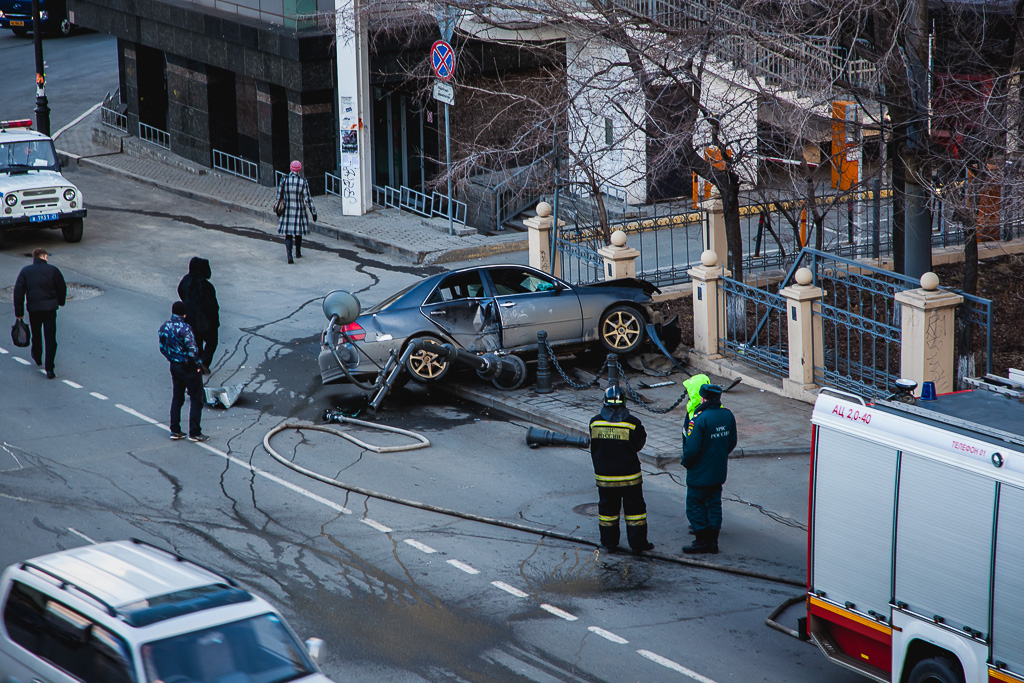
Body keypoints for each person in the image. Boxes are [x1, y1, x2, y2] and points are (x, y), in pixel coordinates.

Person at [589, 385, 654, 554]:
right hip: (630, 477)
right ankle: (638, 543)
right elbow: (638, 444)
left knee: (607, 512)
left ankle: (609, 543)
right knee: (635, 512)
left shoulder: (595, 422)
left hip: (605, 478)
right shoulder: (633, 423)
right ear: (624, 402)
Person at [681, 384, 737, 554]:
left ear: (703, 399)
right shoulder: (727, 415)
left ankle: (701, 541)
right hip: (718, 471)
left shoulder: (699, 419)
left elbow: (691, 449)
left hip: (699, 472)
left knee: (695, 504)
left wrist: (686, 462)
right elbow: (732, 442)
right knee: (714, 504)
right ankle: (713, 541)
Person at [158, 301, 209, 442]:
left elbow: (162, 348)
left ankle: (175, 430)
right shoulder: (185, 329)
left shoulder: (164, 327)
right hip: (188, 367)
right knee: (196, 399)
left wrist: (172, 358)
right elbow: (192, 350)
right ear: (184, 314)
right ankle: (195, 432)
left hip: (174, 366)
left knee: (177, 398)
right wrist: (198, 364)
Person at [13, 247, 66, 379]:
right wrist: (60, 302)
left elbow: (18, 292)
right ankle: (50, 369)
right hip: (50, 309)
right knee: (50, 338)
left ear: (34, 258)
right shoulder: (53, 270)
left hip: (34, 309)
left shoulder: (26, 271)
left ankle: (37, 356)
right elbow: (61, 287)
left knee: (36, 334)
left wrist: (19, 313)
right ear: (44, 257)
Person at [177, 257, 220, 374]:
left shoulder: (186, 281)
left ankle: (197, 363)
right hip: (205, 321)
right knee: (212, 342)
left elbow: (180, 292)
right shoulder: (207, 286)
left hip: (190, 318)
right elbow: (212, 306)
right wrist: (215, 321)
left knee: (197, 342)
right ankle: (204, 363)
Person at [275, 160, 317, 264]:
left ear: (291, 169)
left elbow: (279, 195)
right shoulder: (303, 181)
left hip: (287, 210)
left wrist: (277, 206)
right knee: (298, 232)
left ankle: (289, 254)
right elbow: (308, 199)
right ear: (299, 169)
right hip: (299, 210)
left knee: (288, 234)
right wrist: (313, 212)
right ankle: (298, 252)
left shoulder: (284, 179)